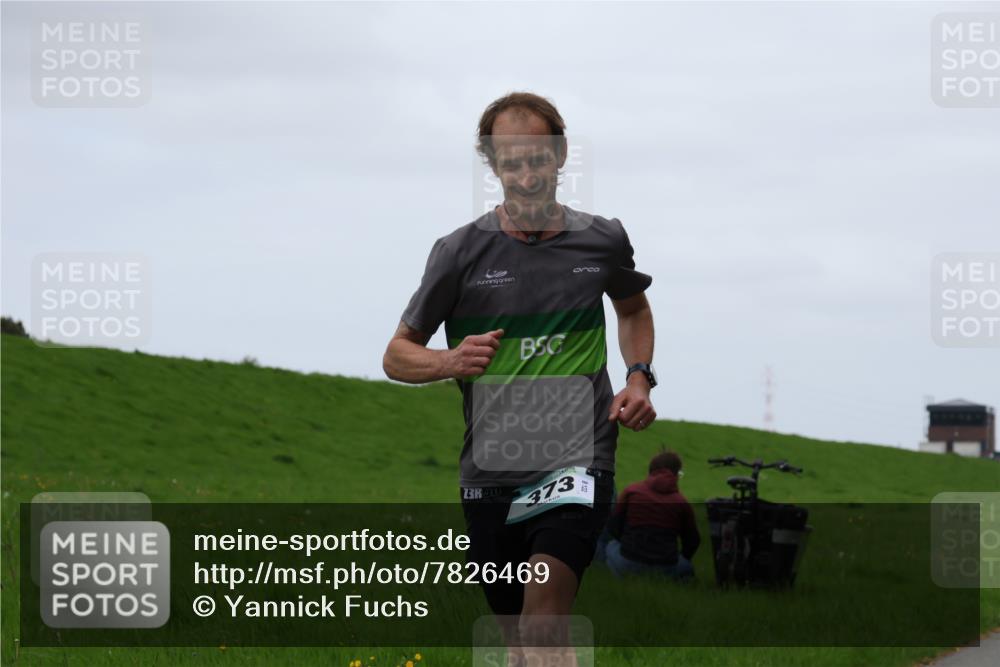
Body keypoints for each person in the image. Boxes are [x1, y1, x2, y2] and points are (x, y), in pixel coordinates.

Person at [382, 91, 656, 666]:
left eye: (537, 158)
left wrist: (637, 379)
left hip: (577, 457)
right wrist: (449, 362)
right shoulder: (458, 252)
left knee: (546, 619)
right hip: (491, 466)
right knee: (516, 643)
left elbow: (632, 311)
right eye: (511, 162)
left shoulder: (602, 239)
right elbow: (397, 355)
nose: (526, 174)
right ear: (493, 165)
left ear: (559, 155)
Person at [604, 449, 700, 581]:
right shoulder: (681, 502)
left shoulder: (631, 491)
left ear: (651, 471)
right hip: (667, 567)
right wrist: (680, 557)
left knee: (610, 546)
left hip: (629, 562)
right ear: (676, 475)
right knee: (687, 568)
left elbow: (613, 527)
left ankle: (620, 577)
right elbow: (693, 541)